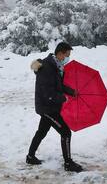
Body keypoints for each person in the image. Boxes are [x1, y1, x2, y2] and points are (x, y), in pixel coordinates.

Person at [26, 42, 83, 173]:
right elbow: (47, 93)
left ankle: (30, 157)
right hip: (47, 108)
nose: (67, 58)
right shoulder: (47, 68)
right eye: (67, 55)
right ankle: (68, 163)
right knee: (66, 132)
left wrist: (71, 91)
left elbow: (59, 86)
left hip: (49, 107)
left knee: (42, 132)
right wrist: (63, 98)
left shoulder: (55, 66)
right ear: (60, 53)